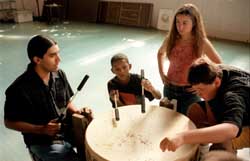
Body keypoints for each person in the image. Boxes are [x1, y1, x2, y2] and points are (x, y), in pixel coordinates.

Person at [4, 35, 93, 161]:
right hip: (41, 140)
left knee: (93, 145)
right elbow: (9, 122)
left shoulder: (59, 74)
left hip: (65, 129)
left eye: (58, 53)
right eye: (52, 56)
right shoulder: (18, 89)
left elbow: (67, 101)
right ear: (37, 60)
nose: (59, 59)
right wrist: (41, 129)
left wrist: (77, 112)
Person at [159, 58, 249, 155]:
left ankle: (226, 154)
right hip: (233, 107)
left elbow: (232, 130)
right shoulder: (214, 72)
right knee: (195, 111)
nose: (198, 94)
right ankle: (201, 152)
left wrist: (183, 137)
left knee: (219, 149)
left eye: (201, 89)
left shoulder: (233, 95)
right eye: (195, 90)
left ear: (217, 82)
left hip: (246, 122)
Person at [157, 3, 222, 114]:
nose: (180, 27)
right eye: (177, 22)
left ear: (194, 23)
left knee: (187, 122)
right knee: (167, 120)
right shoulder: (171, 39)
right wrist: (162, 73)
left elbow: (219, 65)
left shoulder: (201, 42)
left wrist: (202, 83)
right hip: (169, 88)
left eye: (185, 23)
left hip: (190, 93)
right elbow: (160, 53)